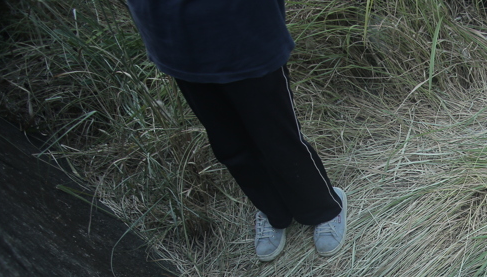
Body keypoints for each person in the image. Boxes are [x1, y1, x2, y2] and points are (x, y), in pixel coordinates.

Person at [125, 0, 346, 261]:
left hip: (242, 32)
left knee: (277, 138)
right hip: (175, 41)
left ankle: (324, 208)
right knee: (229, 144)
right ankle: (273, 211)